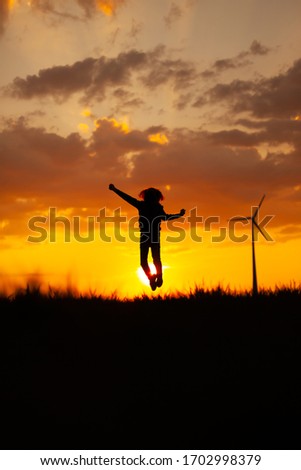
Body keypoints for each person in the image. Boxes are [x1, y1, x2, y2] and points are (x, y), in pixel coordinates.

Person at [109, 184, 185, 291]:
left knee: (149, 261)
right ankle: (154, 278)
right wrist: (179, 215)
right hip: (149, 237)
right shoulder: (152, 207)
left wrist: (179, 215)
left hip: (148, 237)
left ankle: (156, 277)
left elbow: (128, 199)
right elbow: (166, 217)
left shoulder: (147, 206)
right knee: (152, 260)